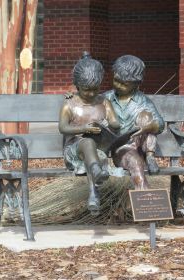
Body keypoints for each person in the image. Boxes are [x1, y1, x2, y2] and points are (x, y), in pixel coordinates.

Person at [59, 52, 120, 213]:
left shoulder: (104, 102)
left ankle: (94, 195)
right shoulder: (70, 103)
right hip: (74, 150)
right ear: (77, 85)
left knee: (94, 150)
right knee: (87, 142)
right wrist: (84, 129)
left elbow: (115, 123)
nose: (92, 94)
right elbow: (63, 128)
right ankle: (96, 174)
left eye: (95, 89)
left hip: (100, 150)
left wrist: (109, 124)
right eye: (87, 90)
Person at [104, 55, 164, 190]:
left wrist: (148, 127)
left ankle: (150, 156)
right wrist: (73, 96)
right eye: (116, 80)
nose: (118, 85)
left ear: (137, 84)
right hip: (122, 148)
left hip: (143, 144)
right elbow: (87, 103)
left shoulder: (143, 101)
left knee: (147, 116)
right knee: (134, 162)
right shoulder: (105, 98)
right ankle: (147, 201)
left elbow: (160, 124)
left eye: (124, 84)